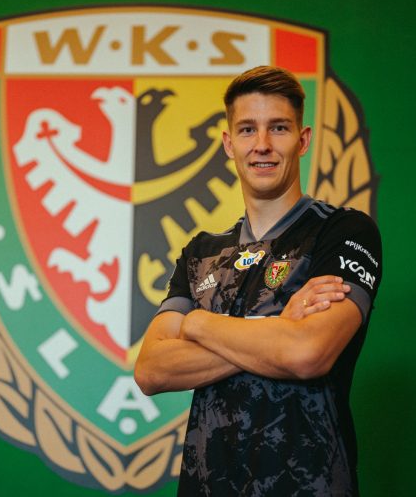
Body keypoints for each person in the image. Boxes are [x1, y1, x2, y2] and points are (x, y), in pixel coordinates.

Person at [134, 66, 382, 496]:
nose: (262, 144)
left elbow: (307, 353)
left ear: (302, 139)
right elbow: (152, 370)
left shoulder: (343, 232)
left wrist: (196, 324)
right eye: (247, 129)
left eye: (278, 128)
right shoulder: (200, 252)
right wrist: (280, 325)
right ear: (229, 143)